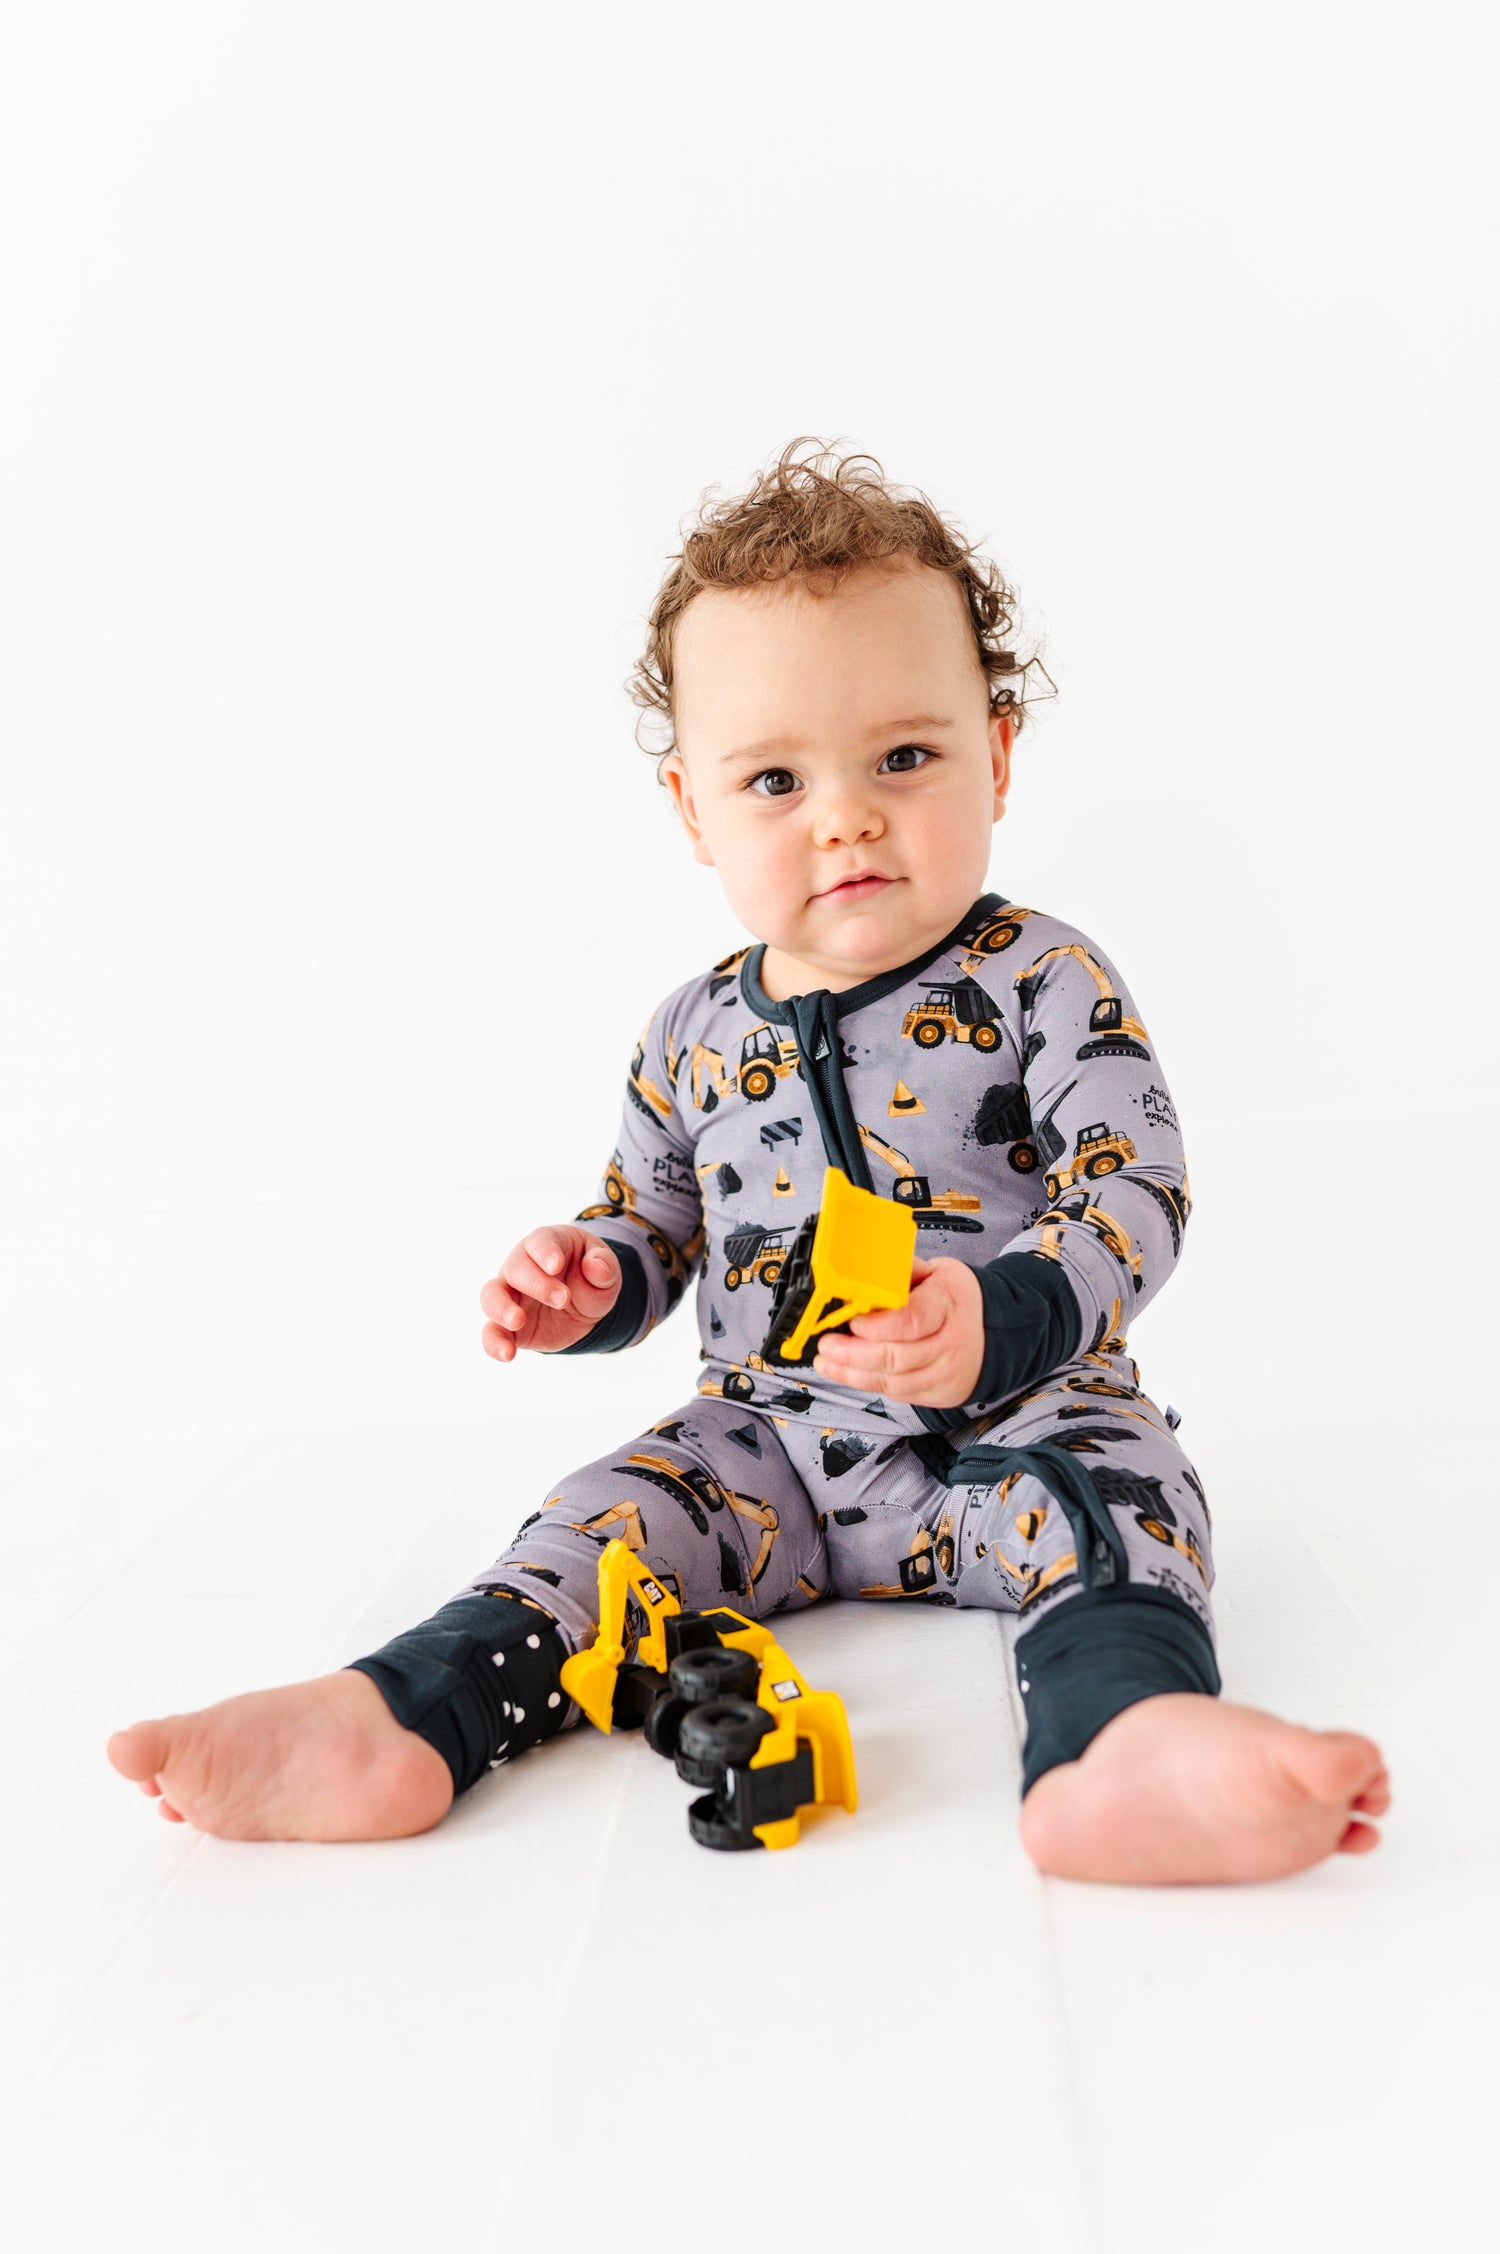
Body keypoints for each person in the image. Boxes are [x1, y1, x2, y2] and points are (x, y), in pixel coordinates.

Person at [107, 441, 1389, 1882]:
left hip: (1020, 1416)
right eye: (776, 777)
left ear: (1000, 753)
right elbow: (651, 1224)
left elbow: (1136, 1189)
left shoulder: (1044, 977)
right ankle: (402, 1714)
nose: (845, 813)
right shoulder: (694, 1033)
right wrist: (590, 1277)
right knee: (601, 1518)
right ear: (692, 812)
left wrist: (1003, 1316)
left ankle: (1123, 1746)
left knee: (1126, 1509)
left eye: (905, 756)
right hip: (765, 1452)